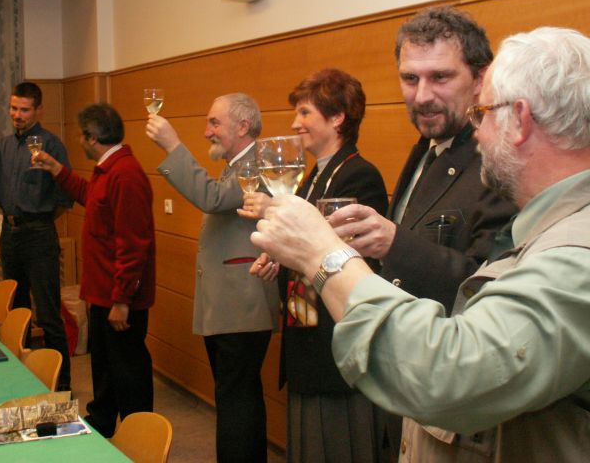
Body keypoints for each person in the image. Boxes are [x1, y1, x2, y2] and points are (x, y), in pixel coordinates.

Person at [250, 26, 590, 462]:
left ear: (520, 120)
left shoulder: (574, 255)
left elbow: (452, 375)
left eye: (483, 114)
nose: (478, 132)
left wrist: (324, 255)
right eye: (410, 78)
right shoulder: (536, 217)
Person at [329, 7, 517, 456]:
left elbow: (484, 289)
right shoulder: (426, 148)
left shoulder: (498, 164)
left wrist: (394, 242)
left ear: (481, 78)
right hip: (405, 383)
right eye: (410, 79)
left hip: (455, 403)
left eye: (440, 77)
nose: (422, 95)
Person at [240, 70, 388, 463]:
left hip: (334, 348)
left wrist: (275, 215)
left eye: (305, 112)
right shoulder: (313, 177)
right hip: (308, 338)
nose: (295, 123)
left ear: (337, 117)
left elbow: (349, 257)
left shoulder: (359, 174)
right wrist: (279, 256)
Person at [146, 93, 279, 463]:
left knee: (237, 401)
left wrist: (173, 145)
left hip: (242, 304)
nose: (207, 131)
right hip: (231, 304)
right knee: (237, 397)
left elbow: (213, 198)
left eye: (214, 123)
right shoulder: (238, 164)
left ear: (243, 126)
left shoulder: (258, 163)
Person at [36, 103, 156, 438]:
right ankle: (102, 422)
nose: (79, 141)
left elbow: (134, 245)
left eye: (81, 135)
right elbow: (90, 196)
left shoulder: (126, 174)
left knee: (128, 371)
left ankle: (139, 437)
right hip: (104, 293)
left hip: (119, 298)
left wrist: (122, 300)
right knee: (104, 367)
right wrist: (57, 169)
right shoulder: (109, 169)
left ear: (92, 137)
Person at [0, 81, 73, 390]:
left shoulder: (51, 145)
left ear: (39, 110)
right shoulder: (3, 146)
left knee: (48, 313)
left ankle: (61, 385)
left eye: (24, 109)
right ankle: (25, 380)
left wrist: (39, 220)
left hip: (39, 232)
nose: (17, 114)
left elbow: (65, 197)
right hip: (9, 233)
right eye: (14, 108)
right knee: (18, 310)